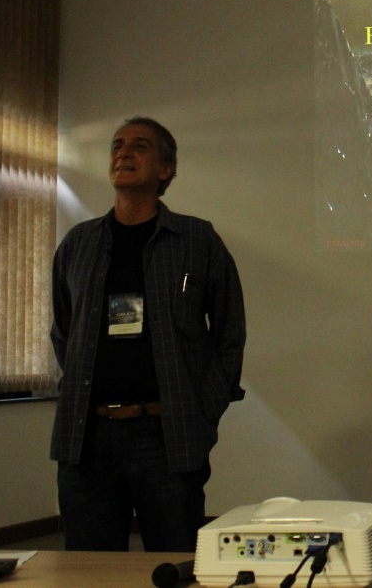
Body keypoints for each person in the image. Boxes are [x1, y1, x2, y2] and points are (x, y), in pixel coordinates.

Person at [50, 116, 246, 552]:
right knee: (89, 575)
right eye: (117, 146)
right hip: (87, 437)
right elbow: (63, 332)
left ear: (166, 170)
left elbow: (230, 336)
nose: (123, 152)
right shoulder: (78, 244)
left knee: (174, 563)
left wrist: (202, 410)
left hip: (167, 434)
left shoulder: (197, 240)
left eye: (139, 146)